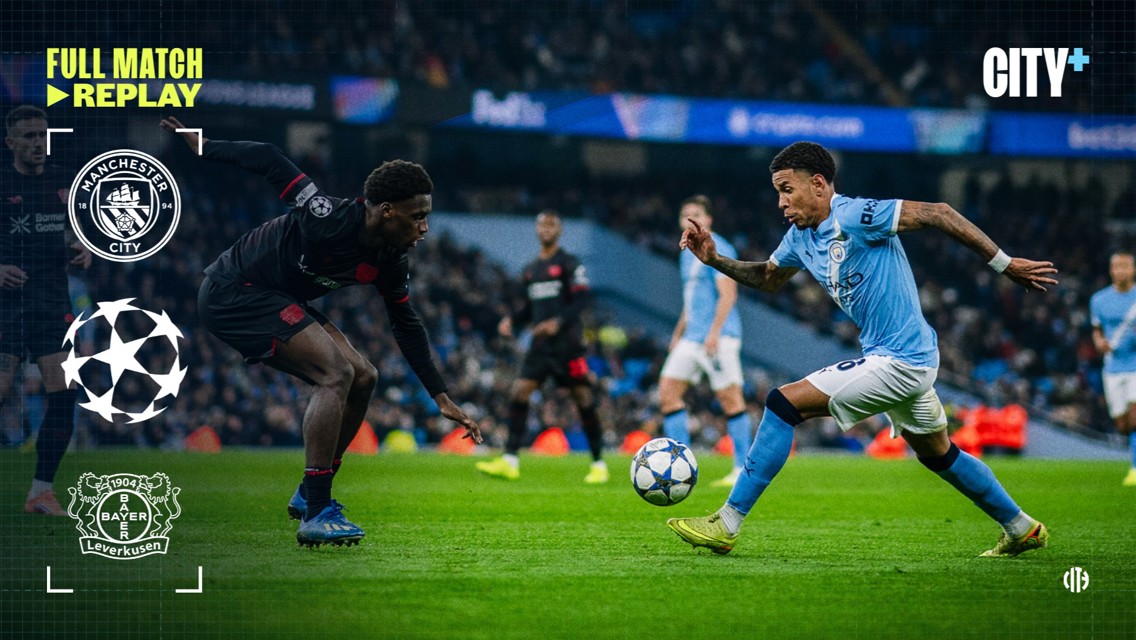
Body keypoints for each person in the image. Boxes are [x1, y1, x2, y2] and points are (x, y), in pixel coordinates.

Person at [667, 141, 1057, 557]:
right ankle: (1021, 527)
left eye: (787, 189)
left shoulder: (854, 215)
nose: (781, 202)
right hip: (904, 358)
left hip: (900, 360)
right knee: (939, 454)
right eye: (777, 191)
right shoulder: (799, 237)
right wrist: (714, 260)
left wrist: (1005, 263)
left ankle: (727, 522)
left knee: (782, 403)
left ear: (818, 184)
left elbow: (939, 213)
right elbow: (767, 276)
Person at [161, 117, 482, 547]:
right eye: (417, 217)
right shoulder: (327, 216)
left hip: (280, 298)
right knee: (336, 374)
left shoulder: (390, 258)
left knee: (365, 376)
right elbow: (269, 158)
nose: (424, 229)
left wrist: (440, 396)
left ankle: (311, 491)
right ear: (387, 211)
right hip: (234, 291)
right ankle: (317, 511)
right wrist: (202, 144)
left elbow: (406, 324)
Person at [0, 106, 91, 515]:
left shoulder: (61, 183)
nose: (38, 143)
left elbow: (71, 232)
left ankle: (40, 492)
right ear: (11, 143)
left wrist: (80, 249)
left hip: (52, 304)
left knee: (64, 392)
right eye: (29, 136)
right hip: (7, 306)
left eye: (42, 135)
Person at [476, 210, 609, 483]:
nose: (546, 228)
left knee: (583, 400)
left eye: (552, 224)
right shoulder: (531, 269)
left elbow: (582, 300)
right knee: (520, 392)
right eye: (542, 224)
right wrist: (512, 321)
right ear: (537, 230)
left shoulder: (570, 264)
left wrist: (557, 322)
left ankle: (598, 463)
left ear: (559, 230)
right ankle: (510, 460)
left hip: (567, 344)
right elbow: (529, 308)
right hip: (540, 346)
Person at [658, 195, 752, 488]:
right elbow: (691, 302)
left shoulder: (719, 247)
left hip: (718, 336)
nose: (689, 220)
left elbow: (728, 295)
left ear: (708, 220)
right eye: (685, 215)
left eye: (695, 214)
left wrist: (714, 332)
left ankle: (741, 470)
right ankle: (681, 466)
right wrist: (678, 334)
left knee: (730, 398)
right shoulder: (686, 252)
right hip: (692, 336)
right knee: (667, 392)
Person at [1089, 251, 1136, 486]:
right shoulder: (1099, 300)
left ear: (1133, 269)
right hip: (1112, 368)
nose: (1121, 270)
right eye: (1117, 266)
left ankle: (1135, 469)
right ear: (1110, 270)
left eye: (1125, 266)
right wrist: (1099, 342)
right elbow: (1097, 328)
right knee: (1122, 423)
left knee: (1135, 416)